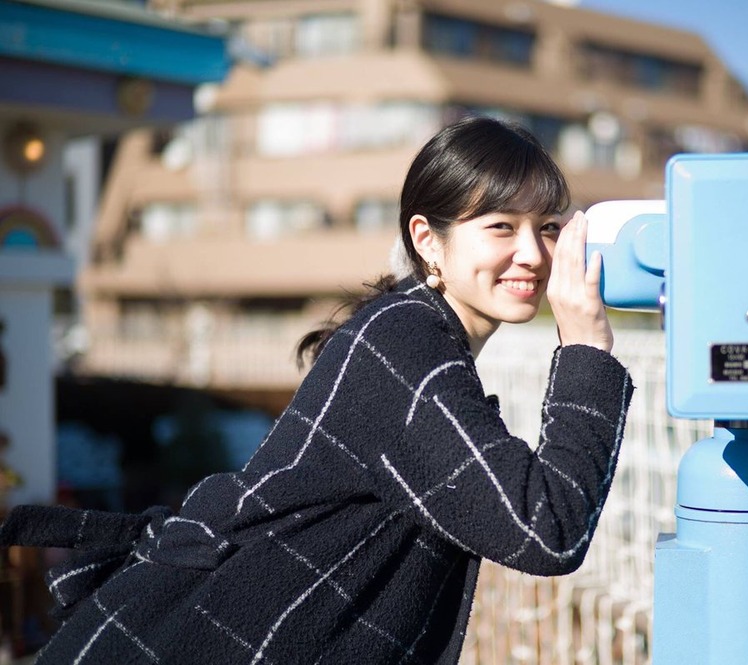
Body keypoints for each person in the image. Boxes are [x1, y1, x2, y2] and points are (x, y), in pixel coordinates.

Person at [0, 116, 634, 664]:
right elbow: (546, 529)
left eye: (547, 228)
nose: (531, 253)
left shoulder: (411, 336)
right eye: (501, 226)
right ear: (426, 240)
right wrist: (585, 351)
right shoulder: (403, 347)